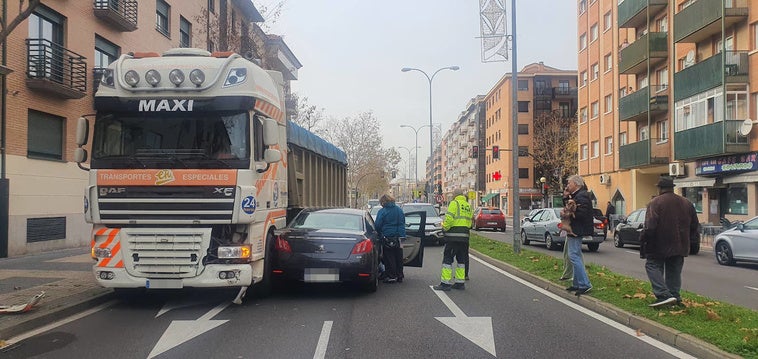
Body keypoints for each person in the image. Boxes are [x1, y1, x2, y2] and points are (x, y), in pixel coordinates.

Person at [640, 176, 700, 307]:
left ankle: (663, 295)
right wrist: (690, 241)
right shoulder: (686, 203)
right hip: (681, 244)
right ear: (672, 188)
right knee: (674, 270)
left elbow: (650, 226)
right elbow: (695, 225)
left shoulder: (655, 203)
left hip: (659, 244)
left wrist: (644, 240)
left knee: (652, 265)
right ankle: (675, 297)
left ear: (660, 188)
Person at [433, 189, 473, 291]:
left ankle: (445, 283)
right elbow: (470, 223)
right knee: (461, 259)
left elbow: (449, 219)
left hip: (453, 236)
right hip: (465, 237)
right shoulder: (468, 206)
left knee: (448, 258)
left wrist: (444, 228)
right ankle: (460, 283)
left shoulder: (454, 203)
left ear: (455, 195)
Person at [562, 175, 593, 296]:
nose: (567, 185)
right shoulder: (577, 196)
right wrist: (566, 199)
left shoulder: (582, 196)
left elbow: (582, 214)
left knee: (574, 256)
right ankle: (577, 283)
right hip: (574, 228)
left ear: (576, 184)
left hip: (577, 229)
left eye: (569, 183)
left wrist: (569, 213)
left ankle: (585, 284)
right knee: (574, 256)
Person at [374, 194, 406, 283]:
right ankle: (400, 275)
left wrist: (379, 234)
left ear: (383, 202)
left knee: (389, 257)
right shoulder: (399, 210)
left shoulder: (383, 211)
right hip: (401, 236)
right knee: (399, 256)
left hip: (388, 237)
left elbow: (377, 225)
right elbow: (403, 221)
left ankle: (392, 276)